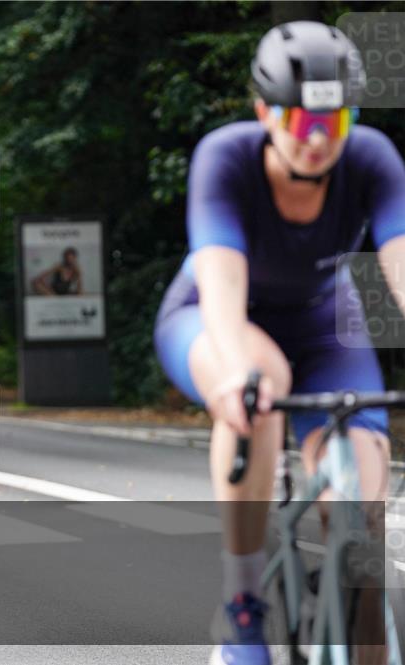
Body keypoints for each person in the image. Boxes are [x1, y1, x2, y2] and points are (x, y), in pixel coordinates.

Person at [153, 21, 405, 665]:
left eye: (335, 122)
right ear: (266, 111)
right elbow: (223, 285)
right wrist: (237, 374)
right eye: (302, 123)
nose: (319, 141)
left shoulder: (374, 159)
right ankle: (242, 607)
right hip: (216, 318)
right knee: (260, 389)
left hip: (324, 329)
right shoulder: (226, 156)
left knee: (363, 534)